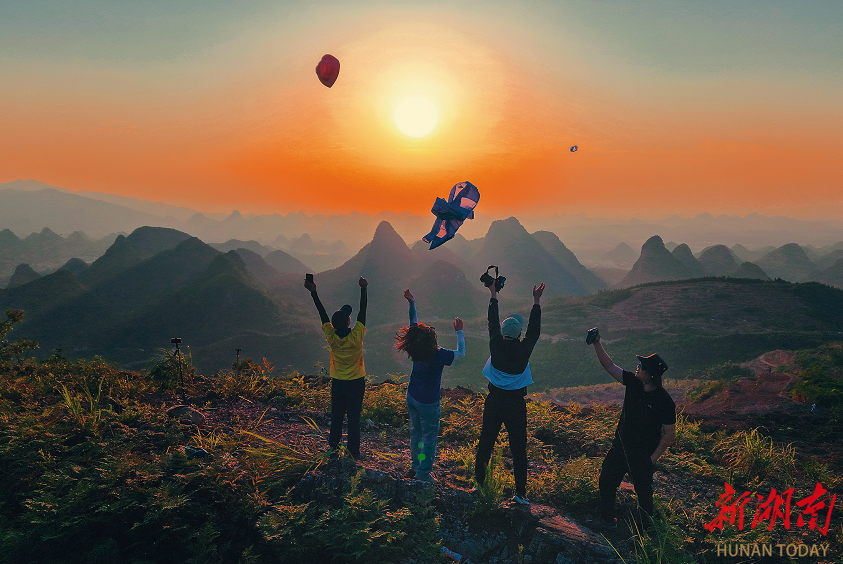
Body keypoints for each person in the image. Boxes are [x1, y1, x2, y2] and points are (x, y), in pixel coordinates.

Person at [587, 328, 676, 529]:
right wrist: (596, 343)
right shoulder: (634, 383)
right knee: (606, 482)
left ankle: (646, 530)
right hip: (620, 447)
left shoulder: (664, 401)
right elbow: (609, 365)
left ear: (651, 375)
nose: (638, 367)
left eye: (642, 367)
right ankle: (607, 520)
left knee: (644, 493)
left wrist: (653, 458)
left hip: (642, 454)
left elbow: (669, 433)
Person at [474, 281, 545, 505]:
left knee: (486, 442)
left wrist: (493, 294)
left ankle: (478, 485)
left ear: (503, 332)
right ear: (519, 334)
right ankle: (521, 493)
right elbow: (534, 331)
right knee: (518, 449)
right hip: (516, 404)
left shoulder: (495, 345)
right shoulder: (524, 350)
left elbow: (492, 321)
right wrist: (536, 301)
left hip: (494, 401)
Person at [395, 289, 465, 482]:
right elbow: (461, 353)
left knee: (416, 434)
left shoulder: (414, 346)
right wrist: (459, 331)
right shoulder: (439, 355)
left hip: (412, 396)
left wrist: (412, 303)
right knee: (430, 437)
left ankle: (415, 466)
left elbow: (413, 323)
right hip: (429, 402)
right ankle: (423, 472)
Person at [304, 275, 368, 460]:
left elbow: (322, 314)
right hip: (356, 382)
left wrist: (314, 292)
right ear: (349, 322)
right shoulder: (356, 336)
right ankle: (354, 452)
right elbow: (363, 311)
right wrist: (363, 289)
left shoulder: (331, 336)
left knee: (337, 416)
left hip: (338, 382)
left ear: (332, 326)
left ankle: (333, 450)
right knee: (354, 418)